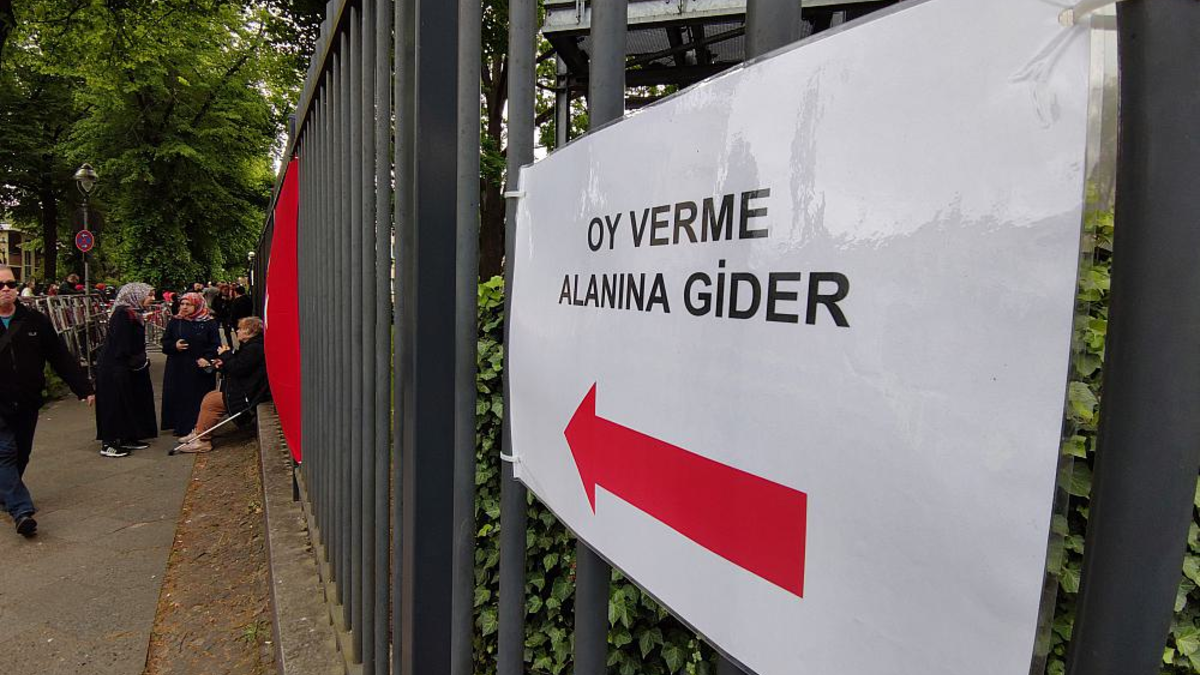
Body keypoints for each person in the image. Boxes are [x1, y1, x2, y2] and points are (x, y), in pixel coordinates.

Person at [0, 264, 94, 538]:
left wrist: (83, 387)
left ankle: (7, 491)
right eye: (0, 285)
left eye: (11, 284)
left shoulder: (35, 321)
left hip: (28, 401)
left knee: (22, 453)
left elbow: (59, 355)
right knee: (5, 451)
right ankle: (21, 511)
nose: (6, 290)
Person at [177, 317, 269, 453]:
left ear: (249, 332)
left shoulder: (254, 348)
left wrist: (225, 355)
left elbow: (238, 368)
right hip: (246, 388)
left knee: (212, 402)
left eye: (240, 329)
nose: (237, 331)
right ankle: (200, 431)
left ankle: (203, 439)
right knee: (212, 396)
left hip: (248, 394)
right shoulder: (252, 346)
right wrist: (222, 362)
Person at [94, 283, 158, 457]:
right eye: (149, 295)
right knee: (114, 403)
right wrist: (134, 359)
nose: (152, 299)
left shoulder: (131, 313)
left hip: (122, 365)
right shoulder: (123, 314)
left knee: (126, 402)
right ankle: (110, 442)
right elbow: (122, 344)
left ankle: (126, 437)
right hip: (114, 366)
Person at [160, 292, 220, 438]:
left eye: (189, 304)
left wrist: (207, 357)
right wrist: (174, 346)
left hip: (199, 367)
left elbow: (215, 345)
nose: (185, 307)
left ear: (197, 306)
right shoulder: (176, 321)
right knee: (180, 395)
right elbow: (165, 342)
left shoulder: (208, 323)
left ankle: (198, 426)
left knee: (197, 397)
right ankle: (181, 426)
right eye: (183, 304)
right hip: (179, 366)